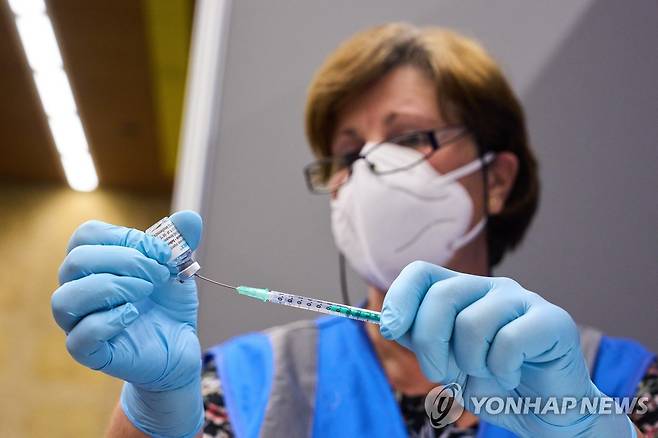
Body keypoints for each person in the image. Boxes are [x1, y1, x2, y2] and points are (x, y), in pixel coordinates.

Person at [51, 24, 656, 438]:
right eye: (347, 153)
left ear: (496, 180)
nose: (368, 168)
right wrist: (151, 417)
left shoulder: (624, 384)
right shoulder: (238, 384)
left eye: (407, 138)